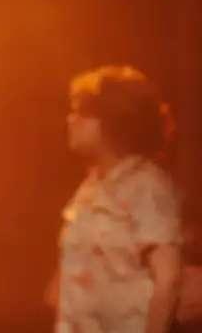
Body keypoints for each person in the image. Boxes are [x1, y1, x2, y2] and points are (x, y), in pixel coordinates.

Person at [47, 65, 182, 333]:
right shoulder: (90, 188)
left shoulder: (145, 186)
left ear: (113, 121)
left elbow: (168, 279)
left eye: (81, 113)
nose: (70, 120)